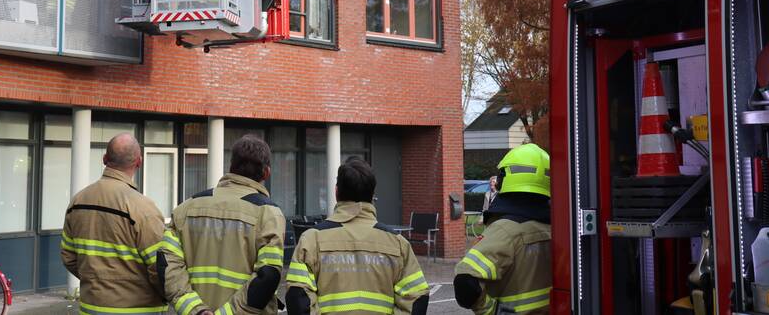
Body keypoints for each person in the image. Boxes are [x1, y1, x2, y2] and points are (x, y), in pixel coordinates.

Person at [285, 157, 431, 314]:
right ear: (372, 195)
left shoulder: (311, 240)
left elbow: (297, 298)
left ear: (336, 192)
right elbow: (417, 298)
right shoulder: (398, 244)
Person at [160, 135, 285, 315]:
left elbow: (168, 267)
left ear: (231, 167)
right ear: (266, 173)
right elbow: (268, 277)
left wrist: (196, 310)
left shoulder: (185, 209)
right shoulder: (268, 214)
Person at [61, 133, 167, 314]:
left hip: (91, 308)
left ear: (104, 159)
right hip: (138, 309)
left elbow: (69, 256)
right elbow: (160, 268)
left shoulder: (78, 201)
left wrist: (97, 281)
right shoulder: (143, 208)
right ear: (139, 162)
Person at [454, 143, 552, 314]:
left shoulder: (504, 230)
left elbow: (465, 282)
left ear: (503, 178)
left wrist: (493, 311)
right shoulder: (558, 228)